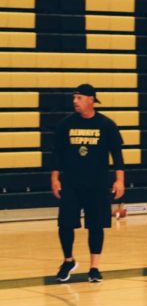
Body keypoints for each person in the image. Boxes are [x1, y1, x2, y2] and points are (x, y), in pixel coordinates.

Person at [51, 84, 125, 283]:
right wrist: (55, 177)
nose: (75, 101)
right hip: (71, 182)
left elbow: (117, 155)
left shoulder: (106, 125)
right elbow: (57, 154)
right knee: (65, 224)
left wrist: (119, 180)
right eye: (74, 98)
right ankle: (68, 260)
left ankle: (94, 267)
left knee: (96, 225)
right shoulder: (65, 125)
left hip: (98, 183)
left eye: (79, 97)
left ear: (91, 100)